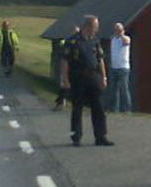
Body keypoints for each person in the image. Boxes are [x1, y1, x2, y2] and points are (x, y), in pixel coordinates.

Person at [60, 15, 115, 147]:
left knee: (99, 107)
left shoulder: (95, 41)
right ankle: (76, 136)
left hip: (93, 76)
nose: (96, 29)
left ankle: (101, 136)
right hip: (78, 77)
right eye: (95, 27)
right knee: (77, 107)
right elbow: (65, 61)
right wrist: (65, 79)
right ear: (87, 26)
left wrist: (104, 77)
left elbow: (100, 59)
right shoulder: (72, 41)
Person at [52, 26, 80, 111]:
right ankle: (61, 102)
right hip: (71, 66)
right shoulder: (73, 41)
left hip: (72, 67)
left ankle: (61, 103)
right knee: (66, 86)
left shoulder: (72, 40)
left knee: (66, 86)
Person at [109, 22, 132, 112]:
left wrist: (121, 34)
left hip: (123, 68)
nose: (117, 31)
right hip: (114, 67)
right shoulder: (113, 39)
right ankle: (114, 109)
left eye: (119, 30)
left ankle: (127, 109)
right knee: (114, 90)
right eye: (116, 30)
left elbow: (126, 42)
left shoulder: (126, 38)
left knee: (124, 89)